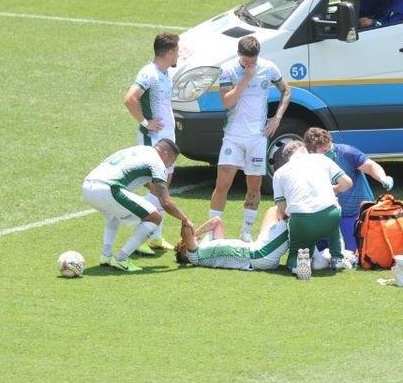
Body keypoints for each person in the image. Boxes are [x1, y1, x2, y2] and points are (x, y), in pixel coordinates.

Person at [207, 35, 291, 242]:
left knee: (254, 186)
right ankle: (213, 232)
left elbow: (286, 91)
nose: (250, 65)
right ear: (239, 55)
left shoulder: (269, 68)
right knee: (222, 184)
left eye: (253, 61)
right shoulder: (228, 69)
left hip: (258, 138)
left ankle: (246, 231)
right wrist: (245, 78)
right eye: (246, 61)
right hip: (233, 137)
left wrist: (277, 119)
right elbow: (227, 102)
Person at [81, 139, 193, 272]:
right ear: (165, 154)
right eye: (172, 161)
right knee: (155, 217)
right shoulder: (157, 162)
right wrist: (185, 219)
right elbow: (166, 202)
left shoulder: (139, 150)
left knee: (114, 215)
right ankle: (122, 259)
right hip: (109, 188)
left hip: (87, 186)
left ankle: (106, 255)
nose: (169, 166)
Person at [122, 31, 179, 253]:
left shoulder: (165, 74)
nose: (178, 56)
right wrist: (146, 123)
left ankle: (155, 236)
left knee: (163, 190)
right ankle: (139, 233)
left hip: (167, 139)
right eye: (177, 52)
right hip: (154, 140)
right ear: (170, 52)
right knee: (157, 190)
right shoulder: (150, 73)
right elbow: (130, 99)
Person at [272, 134, 353, 280]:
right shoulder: (321, 159)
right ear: (304, 149)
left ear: (287, 158)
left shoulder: (279, 173)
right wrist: (335, 189)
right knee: (334, 212)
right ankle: (337, 258)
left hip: (301, 221)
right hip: (330, 217)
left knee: (296, 251)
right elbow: (347, 183)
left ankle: (297, 263)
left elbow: (282, 210)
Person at [302, 126, 395, 252]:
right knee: (319, 251)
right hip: (325, 214)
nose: (329, 151)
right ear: (311, 152)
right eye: (324, 151)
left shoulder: (346, 152)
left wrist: (383, 178)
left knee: (352, 252)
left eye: (330, 147)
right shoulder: (307, 162)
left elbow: (371, 166)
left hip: (354, 213)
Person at [175, 208, 290, 271]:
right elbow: (186, 230)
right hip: (258, 256)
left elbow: (216, 221)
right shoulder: (195, 257)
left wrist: (195, 234)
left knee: (274, 210)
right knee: (289, 221)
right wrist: (185, 220)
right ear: (185, 253)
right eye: (185, 244)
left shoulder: (208, 246)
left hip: (256, 247)